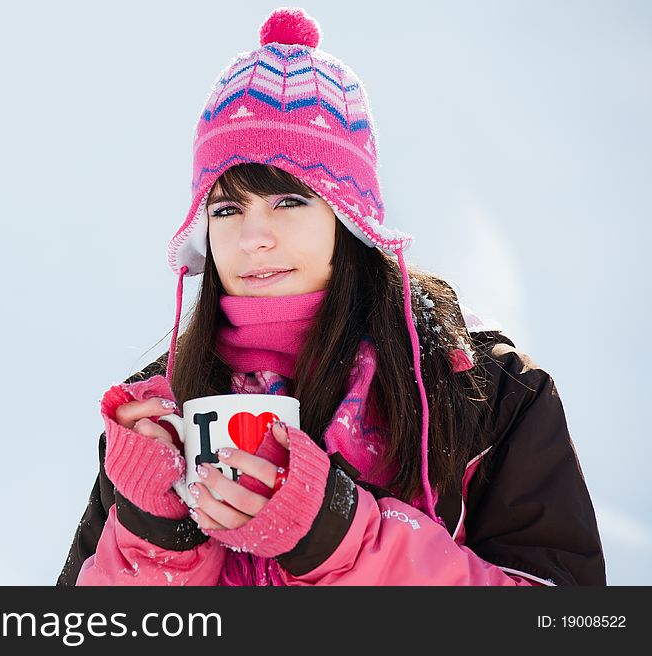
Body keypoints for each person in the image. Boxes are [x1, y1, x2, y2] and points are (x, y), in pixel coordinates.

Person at [56, 7, 605, 586]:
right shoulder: (164, 411)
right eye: (226, 209)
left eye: (290, 201)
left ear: (351, 220)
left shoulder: (482, 391)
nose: (253, 237)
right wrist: (154, 536)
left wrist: (336, 536)